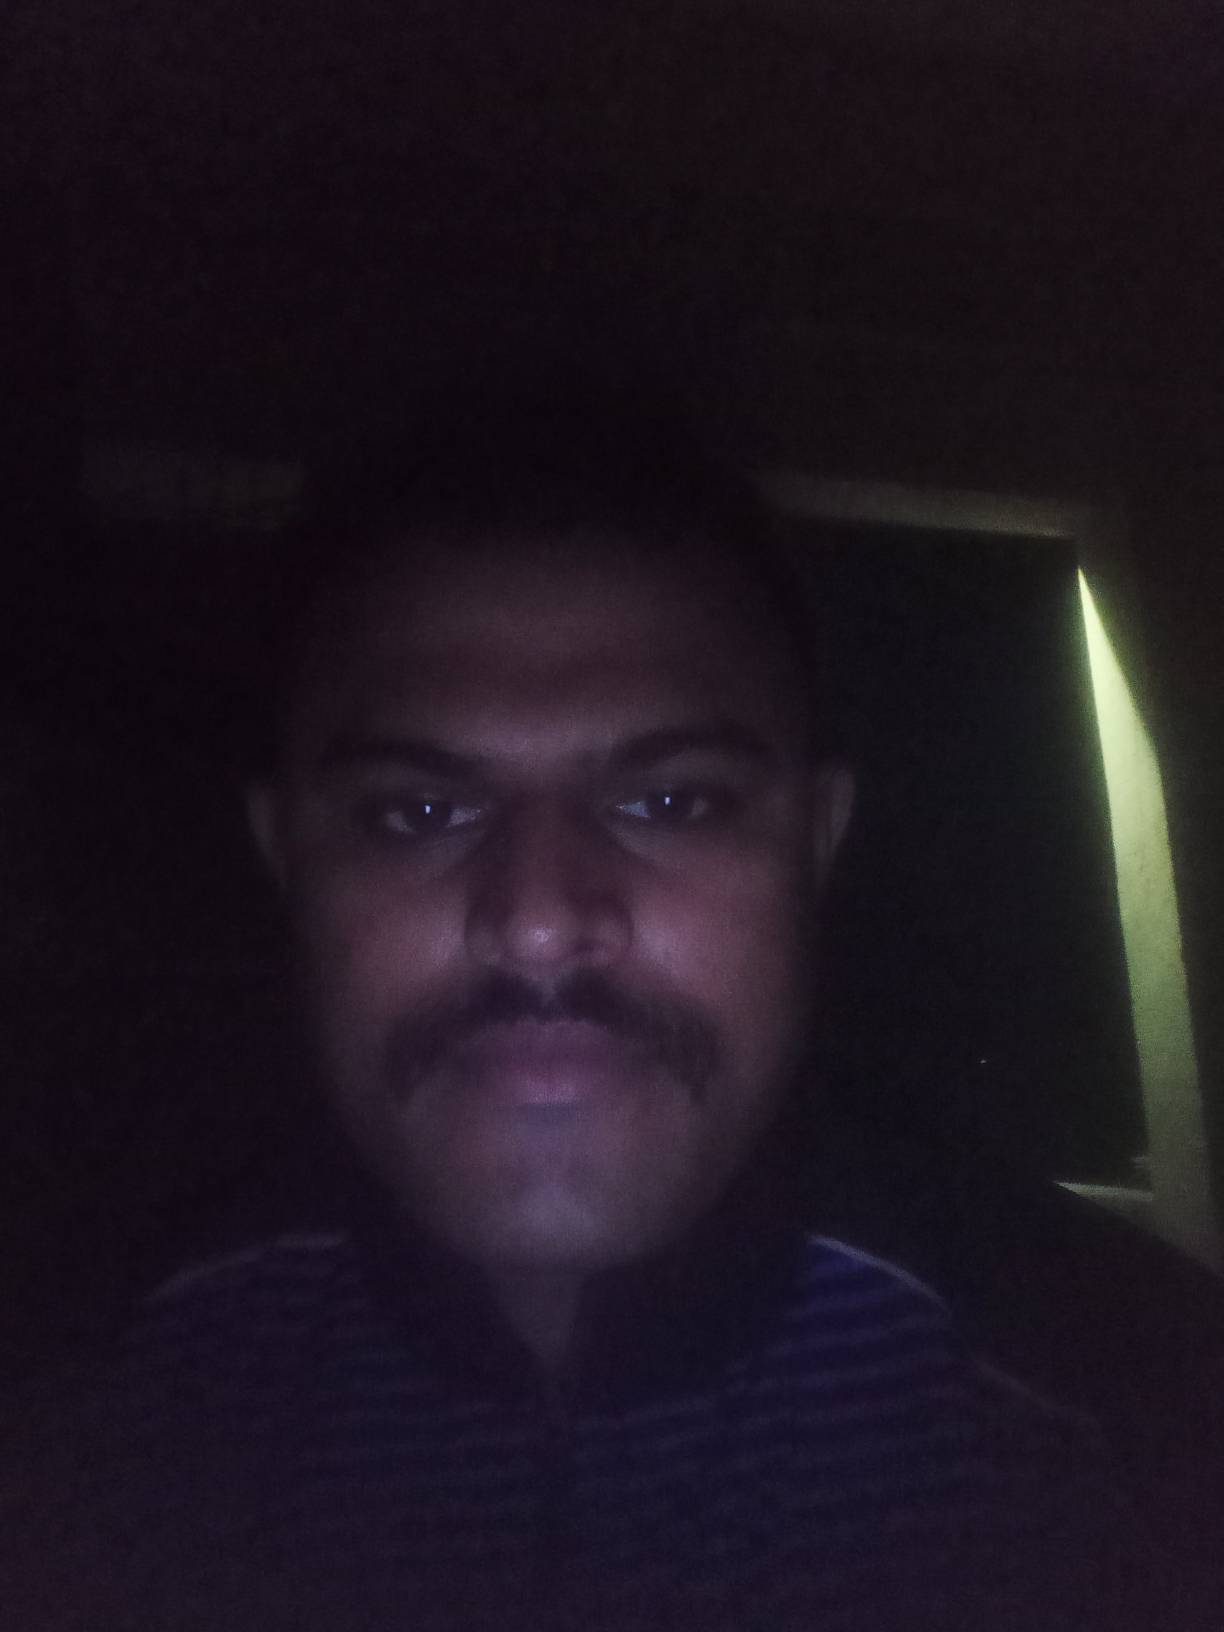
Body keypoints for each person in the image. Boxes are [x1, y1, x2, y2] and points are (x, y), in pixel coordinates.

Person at [0, 392, 1190, 1630]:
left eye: (673, 802)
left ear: (815, 843)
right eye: (417, 812)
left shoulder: (1142, 1428)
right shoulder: (68, 1418)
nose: (538, 922)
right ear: (286, 854)